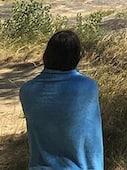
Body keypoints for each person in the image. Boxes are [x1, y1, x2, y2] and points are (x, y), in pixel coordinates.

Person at [20, 31, 103, 168]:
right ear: (76, 56)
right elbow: (90, 139)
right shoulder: (88, 87)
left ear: (47, 55)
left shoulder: (27, 91)